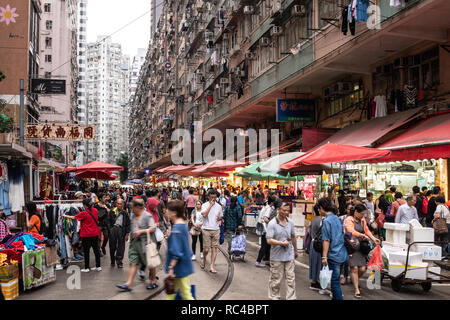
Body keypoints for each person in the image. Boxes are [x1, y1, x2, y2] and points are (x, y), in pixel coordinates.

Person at [116, 199, 158, 291]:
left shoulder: (147, 216)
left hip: (145, 244)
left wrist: (141, 231)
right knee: (132, 262)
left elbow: (153, 228)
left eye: (132, 207)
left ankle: (154, 280)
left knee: (150, 264)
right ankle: (129, 284)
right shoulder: (133, 215)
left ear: (137, 207)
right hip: (134, 243)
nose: (131, 209)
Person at [344, 204, 380, 298]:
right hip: (352, 246)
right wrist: (362, 235)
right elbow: (350, 231)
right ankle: (356, 289)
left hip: (361, 247)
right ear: (356, 212)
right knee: (354, 268)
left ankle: (353, 279)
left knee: (363, 269)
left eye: (364, 214)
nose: (362, 216)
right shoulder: (349, 219)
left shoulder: (362, 220)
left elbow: (367, 230)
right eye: (361, 214)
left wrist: (373, 239)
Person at [266, 202, 297, 300]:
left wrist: (295, 250)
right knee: (276, 279)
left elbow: (293, 237)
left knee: (290, 278)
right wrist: (281, 243)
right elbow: (269, 240)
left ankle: (291, 297)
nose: (286, 212)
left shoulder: (290, 222)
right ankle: (274, 296)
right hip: (276, 256)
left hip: (289, 254)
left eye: (288, 210)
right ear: (278, 209)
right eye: (284, 210)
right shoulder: (272, 223)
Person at [319, 197, 348, 300]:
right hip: (342, 253)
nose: (319, 211)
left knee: (335, 282)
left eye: (319, 208)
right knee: (336, 279)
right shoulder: (337, 218)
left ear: (322, 208)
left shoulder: (326, 221)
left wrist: (324, 257)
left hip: (334, 254)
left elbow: (326, 240)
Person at [166, 199, 195, 300]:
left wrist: (171, 267)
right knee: (172, 293)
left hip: (178, 267)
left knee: (185, 295)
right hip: (182, 265)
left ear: (174, 213)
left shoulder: (176, 229)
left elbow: (176, 251)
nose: (166, 212)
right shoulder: (182, 225)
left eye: (168, 210)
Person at [62, 199, 101, 272]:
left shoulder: (84, 213)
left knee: (86, 252)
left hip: (86, 235)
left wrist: (65, 215)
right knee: (96, 251)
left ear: (85, 205)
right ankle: (98, 266)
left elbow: (73, 217)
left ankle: (86, 267)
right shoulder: (95, 210)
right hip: (95, 233)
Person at [200, 189, 223, 274]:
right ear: (208, 196)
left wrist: (219, 218)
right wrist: (211, 205)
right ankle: (204, 258)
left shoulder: (219, 206)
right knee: (206, 249)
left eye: (215, 197)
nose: (213, 198)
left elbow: (221, 216)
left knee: (214, 249)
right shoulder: (205, 205)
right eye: (211, 196)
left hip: (216, 229)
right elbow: (204, 215)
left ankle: (212, 266)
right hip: (206, 229)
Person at [108, 198, 130, 268]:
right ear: (116, 204)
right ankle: (112, 260)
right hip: (113, 229)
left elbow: (128, 224)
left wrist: (127, 234)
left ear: (123, 204)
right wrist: (110, 229)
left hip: (121, 230)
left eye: (121, 204)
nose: (119, 205)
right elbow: (108, 221)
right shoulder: (112, 211)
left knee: (121, 247)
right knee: (112, 246)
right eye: (118, 203)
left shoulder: (125, 213)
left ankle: (119, 261)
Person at [255, 196, 277, 267]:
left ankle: (267, 260)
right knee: (264, 246)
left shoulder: (266, 206)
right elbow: (265, 219)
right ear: (272, 202)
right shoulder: (269, 208)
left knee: (268, 245)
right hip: (266, 229)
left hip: (264, 228)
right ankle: (258, 261)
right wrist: (271, 223)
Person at [309, 204, 324, 292]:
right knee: (318, 263)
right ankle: (315, 282)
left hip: (313, 243)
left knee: (314, 262)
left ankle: (314, 281)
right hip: (318, 244)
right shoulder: (320, 220)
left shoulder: (314, 219)